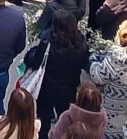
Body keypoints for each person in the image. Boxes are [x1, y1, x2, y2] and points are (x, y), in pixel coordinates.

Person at [27, 9, 89, 139]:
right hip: (69, 88)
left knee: (43, 119)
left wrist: (31, 53)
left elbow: (36, 62)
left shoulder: (48, 42)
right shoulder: (81, 43)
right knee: (65, 119)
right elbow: (84, 63)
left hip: (47, 88)